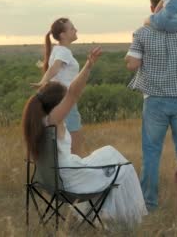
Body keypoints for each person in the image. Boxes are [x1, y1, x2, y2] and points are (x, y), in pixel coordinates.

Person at [23, 47, 148, 227]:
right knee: (123, 167)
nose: (67, 103)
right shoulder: (52, 121)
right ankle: (123, 220)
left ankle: (105, 214)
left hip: (52, 179)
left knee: (109, 152)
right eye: (63, 100)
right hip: (70, 181)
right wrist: (88, 65)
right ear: (57, 104)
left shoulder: (36, 122)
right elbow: (73, 93)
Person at [125, 0, 177, 210]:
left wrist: (134, 45)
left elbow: (131, 65)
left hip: (154, 101)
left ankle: (149, 205)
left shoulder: (142, 33)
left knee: (151, 154)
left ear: (153, 8)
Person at [32, 18, 85, 156]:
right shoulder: (64, 52)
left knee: (62, 143)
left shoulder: (58, 49)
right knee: (74, 145)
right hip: (66, 100)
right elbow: (54, 68)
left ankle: (61, 174)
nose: (76, 30)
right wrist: (42, 82)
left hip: (58, 100)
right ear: (62, 35)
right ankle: (73, 175)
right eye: (72, 28)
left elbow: (54, 69)